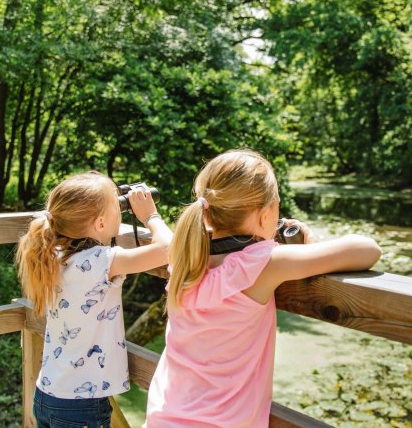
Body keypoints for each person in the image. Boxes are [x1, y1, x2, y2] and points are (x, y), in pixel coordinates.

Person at [144, 149, 381, 427]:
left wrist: (151, 217)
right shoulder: (264, 262)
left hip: (163, 418)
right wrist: (313, 244)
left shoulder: (186, 256)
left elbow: (165, 238)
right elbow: (367, 250)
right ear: (266, 215)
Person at [15, 171, 172, 427]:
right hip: (81, 406)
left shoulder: (51, 253)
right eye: (117, 208)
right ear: (100, 224)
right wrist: (150, 216)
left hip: (47, 393)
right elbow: (169, 249)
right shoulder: (101, 261)